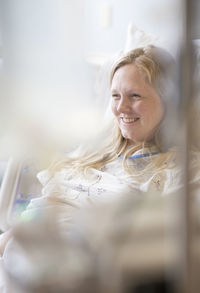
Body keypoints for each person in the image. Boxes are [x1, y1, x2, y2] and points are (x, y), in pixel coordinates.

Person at [0, 45, 200, 254]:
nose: (121, 108)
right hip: (29, 243)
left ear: (169, 101)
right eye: (115, 96)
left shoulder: (182, 171)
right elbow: (45, 206)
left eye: (135, 96)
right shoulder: (93, 151)